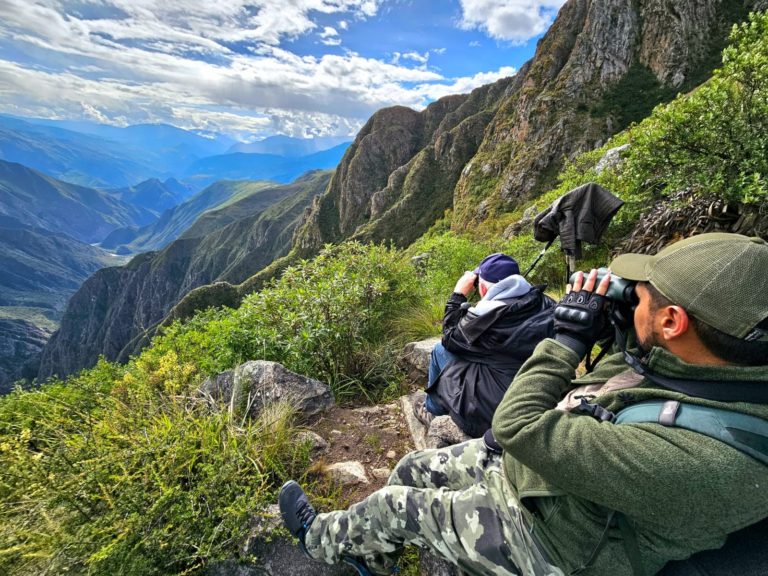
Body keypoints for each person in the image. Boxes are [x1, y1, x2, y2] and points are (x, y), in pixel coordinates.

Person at [279, 232, 768, 576]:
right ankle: (374, 553)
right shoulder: (718, 370)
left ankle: (321, 542)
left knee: (396, 504)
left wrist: (569, 339)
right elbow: (608, 390)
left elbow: (514, 425)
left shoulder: (708, 462)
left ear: (672, 322)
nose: (632, 300)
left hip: (555, 544)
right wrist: (625, 335)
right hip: (559, 485)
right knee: (410, 465)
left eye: (641, 298)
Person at [416, 252, 556, 437]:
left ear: (482, 287)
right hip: (538, 397)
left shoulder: (485, 319)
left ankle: (432, 408)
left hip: (495, 415)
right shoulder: (546, 304)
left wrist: (458, 295)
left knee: (440, 350)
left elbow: (449, 339)